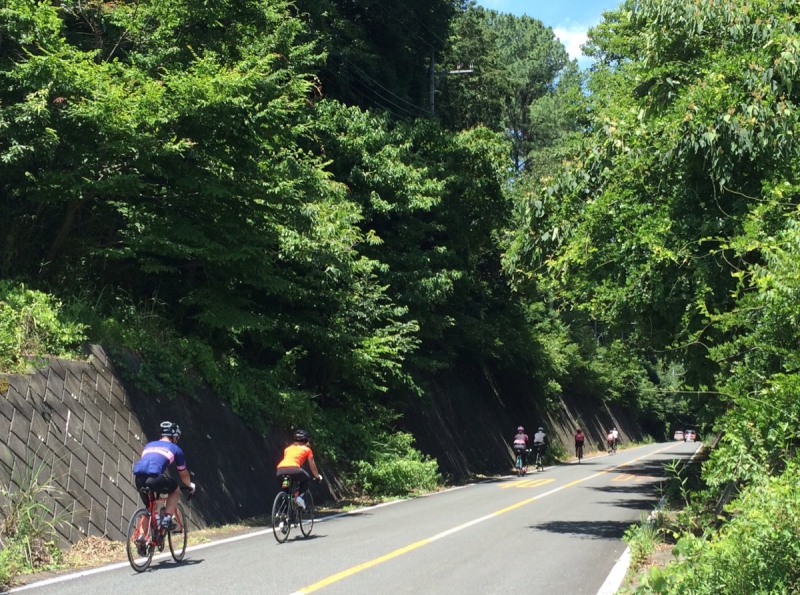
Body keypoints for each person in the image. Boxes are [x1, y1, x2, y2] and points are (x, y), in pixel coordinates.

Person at [132, 421, 196, 531]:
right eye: (177, 437)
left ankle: (141, 538)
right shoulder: (175, 449)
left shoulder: (148, 445)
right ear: (174, 436)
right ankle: (167, 518)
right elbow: (183, 474)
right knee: (175, 489)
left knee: (150, 508)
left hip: (138, 478)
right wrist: (189, 485)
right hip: (155, 478)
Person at [276, 429, 322, 509]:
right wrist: (317, 476)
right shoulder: (307, 450)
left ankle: (284, 516)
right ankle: (300, 498)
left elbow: (289, 460)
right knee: (306, 479)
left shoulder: (287, 449)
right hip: (294, 469)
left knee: (286, 491)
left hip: (280, 470)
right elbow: (312, 466)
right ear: (306, 440)